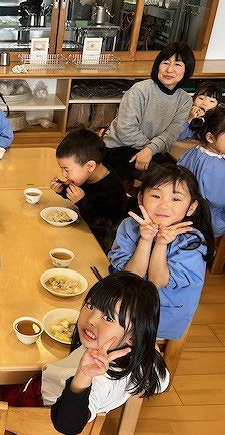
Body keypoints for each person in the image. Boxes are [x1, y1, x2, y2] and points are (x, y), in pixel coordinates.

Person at [0, 272, 169, 435]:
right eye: (90, 305)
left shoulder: (100, 379)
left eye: (108, 318)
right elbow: (163, 381)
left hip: (35, 410)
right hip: (51, 397)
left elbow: (67, 425)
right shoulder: (142, 362)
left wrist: (83, 376)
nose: (91, 319)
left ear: (134, 336)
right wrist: (147, 344)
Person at [108, 164, 215, 340]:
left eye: (176, 199)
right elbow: (132, 277)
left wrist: (160, 243)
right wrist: (145, 239)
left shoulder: (193, 241)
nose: (164, 205)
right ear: (141, 198)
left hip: (157, 320)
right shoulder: (130, 225)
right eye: (156, 196)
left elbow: (156, 281)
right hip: (123, 305)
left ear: (191, 207)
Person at [102, 43, 195, 183]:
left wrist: (150, 150)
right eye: (165, 62)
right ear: (158, 65)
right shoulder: (139, 90)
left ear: (187, 70)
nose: (169, 69)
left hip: (151, 148)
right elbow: (126, 130)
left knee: (179, 177)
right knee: (164, 180)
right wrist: (149, 149)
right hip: (119, 147)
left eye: (177, 64)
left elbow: (172, 133)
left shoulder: (185, 100)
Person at [50, 128, 126, 251]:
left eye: (66, 169)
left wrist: (81, 202)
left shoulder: (112, 189)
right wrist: (62, 190)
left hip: (100, 243)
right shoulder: (86, 175)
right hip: (82, 226)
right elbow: (78, 193)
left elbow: (104, 225)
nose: (63, 174)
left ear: (90, 166)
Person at [178, 105, 225, 237]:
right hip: (206, 220)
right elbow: (219, 200)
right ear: (210, 138)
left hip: (183, 210)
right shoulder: (217, 166)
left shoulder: (195, 150)